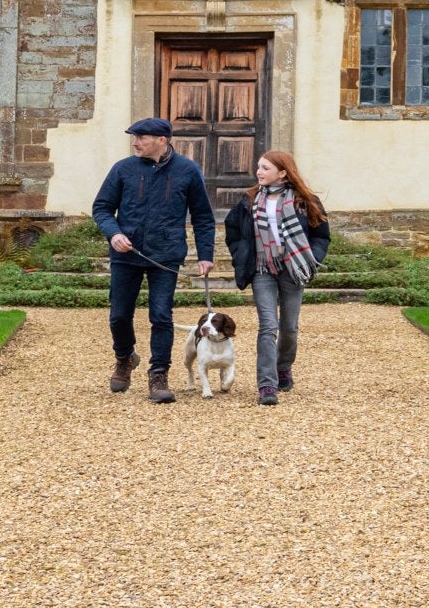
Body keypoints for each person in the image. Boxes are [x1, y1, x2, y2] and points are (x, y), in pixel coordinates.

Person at [90, 117, 217, 403]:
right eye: (134, 138)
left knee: (161, 315)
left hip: (166, 255)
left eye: (140, 138)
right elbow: (102, 208)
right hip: (126, 254)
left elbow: (203, 217)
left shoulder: (188, 171)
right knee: (119, 315)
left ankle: (158, 374)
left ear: (162, 140)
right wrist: (113, 234)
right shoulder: (122, 169)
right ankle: (124, 357)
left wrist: (205, 254)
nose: (135, 143)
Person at [223, 148, 329, 406]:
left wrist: (311, 259)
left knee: (289, 328)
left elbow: (321, 235)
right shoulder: (249, 200)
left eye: (265, 168)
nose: (259, 172)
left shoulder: (306, 201)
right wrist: (242, 256)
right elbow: (233, 231)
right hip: (262, 270)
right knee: (268, 326)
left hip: (293, 269)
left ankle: (283, 367)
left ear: (283, 173)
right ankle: (267, 385)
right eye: (259, 167)